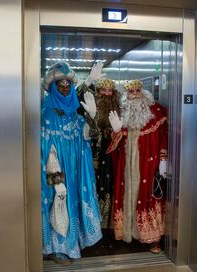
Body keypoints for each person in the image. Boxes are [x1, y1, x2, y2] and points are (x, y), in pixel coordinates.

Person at [40, 62, 102, 265]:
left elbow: (89, 137)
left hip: (73, 173)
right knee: (56, 205)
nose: (65, 88)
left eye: (68, 84)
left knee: (69, 205)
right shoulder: (45, 116)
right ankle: (54, 248)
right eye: (61, 85)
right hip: (55, 175)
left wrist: (92, 118)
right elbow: (45, 150)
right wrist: (55, 179)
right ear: (53, 88)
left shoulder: (75, 116)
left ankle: (70, 245)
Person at [107, 79, 169, 253]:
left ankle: (153, 237)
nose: (134, 94)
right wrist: (117, 132)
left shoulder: (156, 111)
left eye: (137, 91)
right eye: (130, 92)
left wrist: (164, 158)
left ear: (143, 92)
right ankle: (128, 232)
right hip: (126, 165)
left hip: (149, 163)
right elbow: (114, 147)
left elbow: (165, 135)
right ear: (126, 96)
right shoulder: (121, 113)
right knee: (128, 195)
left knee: (149, 195)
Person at [92, 78, 121, 229]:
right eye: (103, 90)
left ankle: (109, 222)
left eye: (110, 91)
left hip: (113, 154)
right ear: (98, 92)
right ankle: (95, 221)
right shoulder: (91, 107)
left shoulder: (119, 108)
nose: (107, 94)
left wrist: (117, 132)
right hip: (94, 154)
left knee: (111, 183)